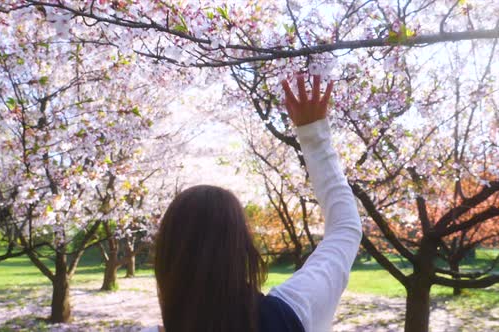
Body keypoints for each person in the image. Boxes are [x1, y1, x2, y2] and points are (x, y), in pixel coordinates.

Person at [142, 75, 363, 332]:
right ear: (242, 248)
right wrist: (314, 136)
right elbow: (345, 228)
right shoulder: (291, 312)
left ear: (165, 258)